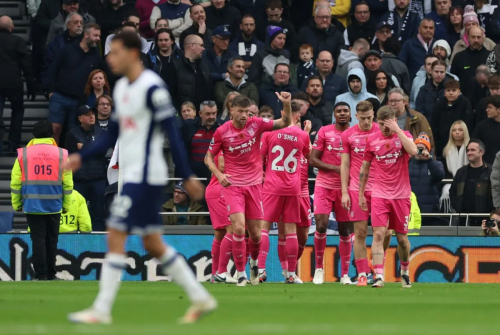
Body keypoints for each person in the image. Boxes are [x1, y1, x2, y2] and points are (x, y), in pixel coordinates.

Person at [66, 31, 216, 324]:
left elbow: (172, 131)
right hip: (134, 173)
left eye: (116, 51)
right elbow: (112, 133)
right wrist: (80, 157)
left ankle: (101, 310)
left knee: (116, 234)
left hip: (146, 174)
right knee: (153, 244)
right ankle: (201, 297)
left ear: (133, 54)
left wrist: (185, 175)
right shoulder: (121, 87)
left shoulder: (152, 87)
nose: (110, 57)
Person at [205, 93, 293, 286]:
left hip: (254, 186)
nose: (245, 115)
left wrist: (286, 104)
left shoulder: (256, 124)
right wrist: (219, 176)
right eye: (241, 111)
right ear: (232, 110)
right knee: (237, 228)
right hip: (233, 185)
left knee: (255, 235)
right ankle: (240, 273)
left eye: (247, 111)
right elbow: (208, 158)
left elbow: (285, 122)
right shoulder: (222, 131)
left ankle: (253, 264)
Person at [360, 106, 417, 288]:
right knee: (378, 234)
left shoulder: (404, 136)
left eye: (388, 123)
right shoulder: (372, 140)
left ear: (394, 120)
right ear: (377, 122)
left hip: (401, 196)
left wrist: (397, 130)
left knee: (401, 239)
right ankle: (378, 275)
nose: (385, 128)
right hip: (379, 194)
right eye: (382, 124)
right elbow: (365, 168)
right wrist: (361, 194)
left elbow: (414, 151)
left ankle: (405, 271)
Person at [10, 120, 73, 280]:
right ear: (51, 133)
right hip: (54, 203)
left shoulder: (23, 154)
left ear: (34, 134)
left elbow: (16, 181)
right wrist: (66, 204)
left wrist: (17, 203)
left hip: (32, 203)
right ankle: (51, 274)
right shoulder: (61, 153)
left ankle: (40, 275)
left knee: (38, 239)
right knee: (52, 240)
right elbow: (67, 183)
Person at [259, 101, 311, 284]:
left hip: (272, 186)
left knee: (263, 228)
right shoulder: (303, 135)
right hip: (293, 187)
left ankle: (261, 269)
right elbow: (308, 156)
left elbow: (260, 158)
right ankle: (290, 273)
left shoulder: (269, 133)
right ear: (298, 116)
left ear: (283, 113)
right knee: (290, 232)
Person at [309, 102, 352, 284]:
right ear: (334, 114)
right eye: (339, 111)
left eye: (345, 111)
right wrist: (335, 168)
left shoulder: (356, 134)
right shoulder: (325, 131)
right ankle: (318, 269)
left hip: (347, 188)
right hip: (324, 185)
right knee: (321, 225)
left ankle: (344, 274)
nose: (342, 114)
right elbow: (312, 159)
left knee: (345, 230)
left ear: (350, 115)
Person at [340, 100, 380, 286]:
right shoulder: (348, 135)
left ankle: (377, 268)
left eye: (369, 118)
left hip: (381, 188)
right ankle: (363, 274)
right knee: (360, 232)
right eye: (362, 118)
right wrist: (344, 191)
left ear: (374, 114)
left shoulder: (381, 131)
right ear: (356, 116)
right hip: (357, 189)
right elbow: (345, 164)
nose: (366, 122)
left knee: (384, 233)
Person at [47, 23, 103, 144]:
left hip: (80, 100)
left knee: (75, 132)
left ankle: (71, 160)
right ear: (86, 35)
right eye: (96, 35)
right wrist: (50, 91)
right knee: (55, 128)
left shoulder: (96, 57)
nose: (98, 39)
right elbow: (53, 69)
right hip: (60, 96)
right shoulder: (67, 49)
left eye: (99, 36)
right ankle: (54, 158)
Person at [65, 105, 108, 231]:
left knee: (99, 214)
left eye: (93, 114)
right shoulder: (72, 133)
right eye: (88, 114)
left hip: (98, 179)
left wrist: (82, 147)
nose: (92, 116)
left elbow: (101, 151)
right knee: (78, 213)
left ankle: (99, 243)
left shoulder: (101, 133)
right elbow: (71, 154)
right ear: (80, 118)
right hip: (79, 180)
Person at [0, 16, 36, 154]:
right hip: (13, 82)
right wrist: (31, 85)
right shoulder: (18, 41)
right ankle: (13, 142)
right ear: (12, 27)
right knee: (18, 110)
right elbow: (26, 65)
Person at [450, 139, 493, 225]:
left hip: (485, 220)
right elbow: (452, 192)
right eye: (468, 150)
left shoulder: (491, 171)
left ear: (481, 152)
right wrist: (458, 207)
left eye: (473, 150)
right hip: (463, 220)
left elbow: (496, 193)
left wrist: (490, 211)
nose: (469, 153)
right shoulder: (461, 172)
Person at [41, 12, 83, 93]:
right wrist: (48, 89)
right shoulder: (56, 43)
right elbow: (48, 66)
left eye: (81, 23)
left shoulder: (86, 43)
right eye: (76, 22)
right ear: (68, 25)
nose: (79, 25)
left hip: (80, 91)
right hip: (59, 90)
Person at [409, 133, 445, 225]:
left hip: (430, 212)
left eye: (422, 149)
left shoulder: (435, 164)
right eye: (417, 148)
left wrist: (429, 160)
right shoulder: (407, 163)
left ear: (428, 150)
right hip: (410, 211)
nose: (419, 151)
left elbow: (440, 176)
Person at [431, 79, 473, 158]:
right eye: (448, 90)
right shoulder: (439, 104)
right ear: (444, 92)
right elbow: (434, 124)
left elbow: (468, 124)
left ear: (459, 92)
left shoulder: (465, 103)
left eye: (454, 90)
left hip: (460, 143)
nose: (451, 93)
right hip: (442, 143)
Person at [181, 100, 220, 184]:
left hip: (215, 175)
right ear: (200, 113)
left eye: (214, 113)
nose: (211, 116)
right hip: (194, 176)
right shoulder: (189, 127)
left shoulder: (222, 128)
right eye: (208, 114)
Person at [170, 34, 212, 111]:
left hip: (202, 114)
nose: (203, 48)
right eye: (201, 45)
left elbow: (209, 90)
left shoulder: (204, 66)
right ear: (192, 45)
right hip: (184, 114)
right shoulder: (174, 66)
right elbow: (170, 93)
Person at [440, 120, 470, 212]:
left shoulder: (470, 148)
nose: (457, 132)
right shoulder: (446, 150)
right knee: (446, 191)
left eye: (460, 130)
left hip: (467, 180)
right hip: (451, 181)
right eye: (454, 130)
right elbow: (445, 171)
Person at [450, 27, 490, 94]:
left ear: (483, 38)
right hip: (464, 99)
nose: (476, 40)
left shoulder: (491, 56)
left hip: (487, 99)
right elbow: (453, 81)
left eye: (478, 37)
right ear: (467, 38)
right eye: (473, 37)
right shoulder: (459, 57)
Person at [472, 95, 500, 165]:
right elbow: (473, 144)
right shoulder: (482, 126)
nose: (487, 110)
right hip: (487, 167)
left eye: (490, 107)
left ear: (499, 109)